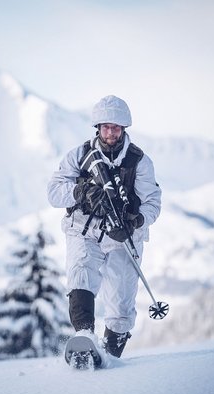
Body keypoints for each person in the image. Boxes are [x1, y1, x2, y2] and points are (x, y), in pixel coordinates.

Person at [47, 95, 162, 359]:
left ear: (124, 129)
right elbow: (53, 192)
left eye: (116, 127)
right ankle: (84, 337)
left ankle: (110, 356)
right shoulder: (79, 155)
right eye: (106, 127)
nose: (111, 132)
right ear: (97, 127)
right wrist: (81, 192)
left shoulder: (139, 162)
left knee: (121, 301)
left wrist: (138, 220)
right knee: (81, 272)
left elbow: (153, 201)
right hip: (83, 229)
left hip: (124, 235)